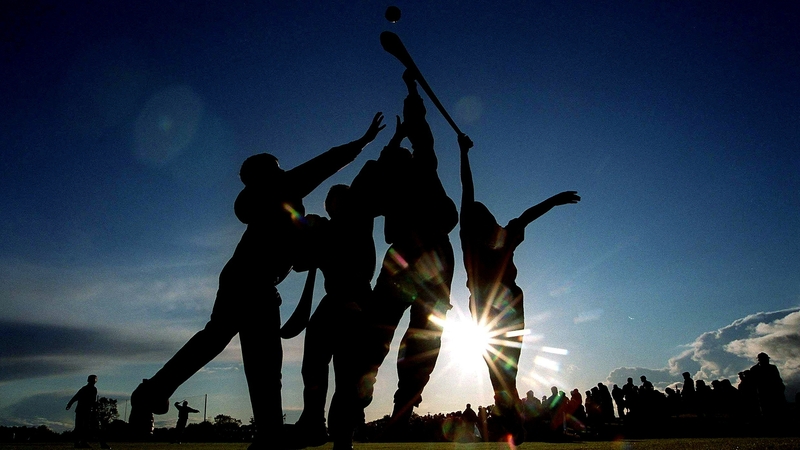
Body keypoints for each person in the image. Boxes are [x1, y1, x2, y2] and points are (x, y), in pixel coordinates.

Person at [127, 113, 386, 450]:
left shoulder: (279, 202)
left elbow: (300, 256)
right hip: (252, 283)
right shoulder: (277, 191)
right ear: (264, 174)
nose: (283, 170)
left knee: (232, 347)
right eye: (276, 167)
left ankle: (156, 395)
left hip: (251, 282)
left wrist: (314, 237)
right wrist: (361, 143)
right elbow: (321, 166)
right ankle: (266, 432)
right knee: (256, 358)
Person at [458, 133, 580, 444]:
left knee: (504, 369)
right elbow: (468, 192)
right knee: (498, 370)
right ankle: (511, 418)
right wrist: (464, 154)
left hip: (506, 304)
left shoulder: (498, 236)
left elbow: (525, 215)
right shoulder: (475, 238)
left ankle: (512, 417)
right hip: (487, 307)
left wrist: (553, 201)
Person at [358, 70, 458, 438]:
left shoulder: (420, 170)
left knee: (422, 332)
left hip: (428, 255)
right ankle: (369, 384)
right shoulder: (393, 186)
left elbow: (421, 134)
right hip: (411, 257)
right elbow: (413, 141)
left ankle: (401, 399)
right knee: (391, 327)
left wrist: (412, 91)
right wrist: (400, 129)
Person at [293, 156, 384, 450]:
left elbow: (368, 176)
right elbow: (300, 263)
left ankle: (339, 434)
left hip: (355, 298)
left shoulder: (359, 220)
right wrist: (304, 228)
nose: (332, 205)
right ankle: (317, 424)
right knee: (317, 365)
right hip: (336, 301)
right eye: (330, 201)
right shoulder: (326, 230)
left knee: (345, 372)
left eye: (338, 199)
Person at [66, 375, 110, 449]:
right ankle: (81, 443)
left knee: (81, 427)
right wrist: (70, 404)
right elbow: (84, 398)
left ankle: (80, 443)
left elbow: (76, 397)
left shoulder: (85, 388)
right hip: (85, 410)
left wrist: (70, 404)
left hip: (83, 410)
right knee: (84, 427)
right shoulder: (91, 389)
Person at [749, 352, 786, 418]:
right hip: (763, 394)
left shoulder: (772, 368)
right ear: (760, 360)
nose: (767, 360)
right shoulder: (754, 369)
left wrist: (781, 388)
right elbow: (752, 383)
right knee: (767, 413)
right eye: (765, 359)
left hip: (775, 393)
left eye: (767, 359)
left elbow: (778, 379)